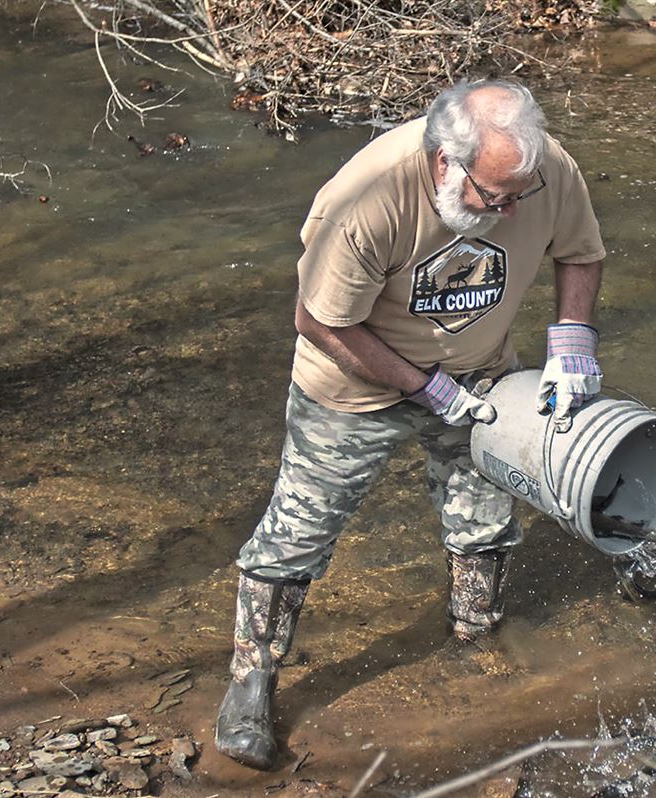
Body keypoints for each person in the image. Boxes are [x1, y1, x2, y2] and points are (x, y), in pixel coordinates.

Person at [214, 78, 607, 770]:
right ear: (444, 162)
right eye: (495, 198)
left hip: (480, 372)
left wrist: (572, 339)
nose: (512, 208)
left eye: (519, 195)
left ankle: (476, 642)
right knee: (298, 532)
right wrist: (424, 387)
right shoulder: (365, 199)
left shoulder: (540, 168)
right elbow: (318, 319)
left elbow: (579, 248)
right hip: (351, 384)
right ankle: (252, 680)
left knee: (487, 517)